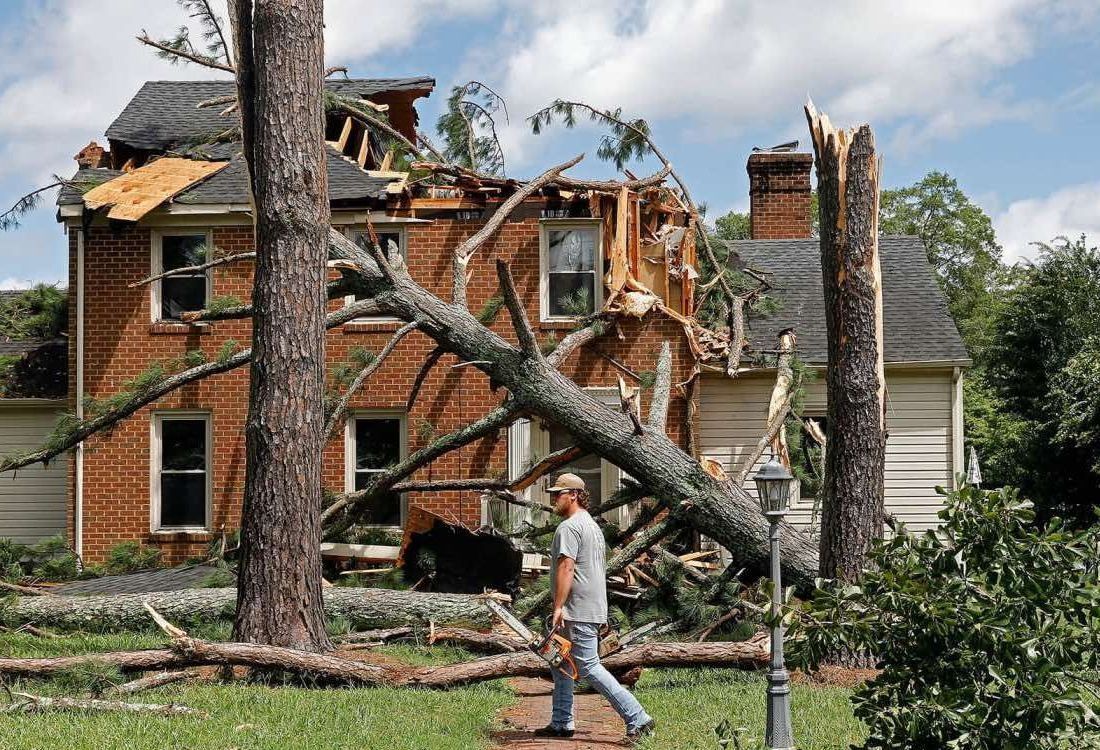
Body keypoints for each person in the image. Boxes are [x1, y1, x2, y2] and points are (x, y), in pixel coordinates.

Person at [535, 472, 656, 740]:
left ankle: (638, 717)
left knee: (588, 666)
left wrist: (558, 606)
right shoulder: (591, 525)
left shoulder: (568, 527)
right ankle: (561, 722)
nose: (555, 499)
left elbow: (567, 567)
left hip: (575, 609)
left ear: (574, 495)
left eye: (559, 494)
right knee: (560, 661)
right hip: (589, 607)